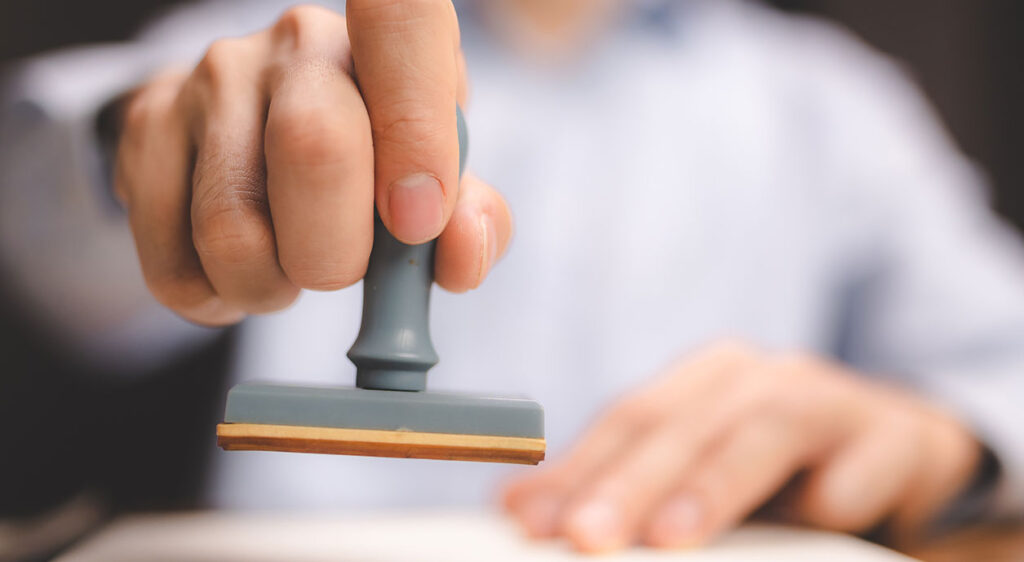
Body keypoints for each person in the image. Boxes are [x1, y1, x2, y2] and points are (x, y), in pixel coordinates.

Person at [2, 0, 1023, 553]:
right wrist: (136, 145)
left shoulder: (825, 105)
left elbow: (1004, 363)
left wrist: (942, 440)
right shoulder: (270, 31)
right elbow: (45, 249)